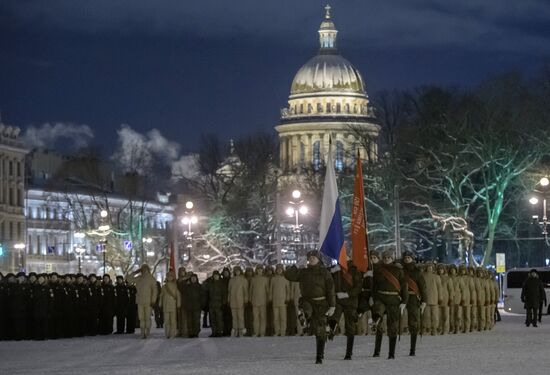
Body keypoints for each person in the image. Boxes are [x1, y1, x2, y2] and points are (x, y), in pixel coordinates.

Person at [284, 250, 335, 364]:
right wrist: (296, 265)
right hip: (307, 301)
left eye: (314, 257)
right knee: (306, 309)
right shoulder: (303, 272)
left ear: (319, 259)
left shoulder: (325, 273)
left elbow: (330, 290)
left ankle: (319, 355)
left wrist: (332, 305)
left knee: (320, 330)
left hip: (321, 303)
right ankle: (304, 316)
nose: (311, 259)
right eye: (310, 257)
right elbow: (288, 275)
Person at [371, 250, 407, 359]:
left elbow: (404, 286)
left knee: (392, 326)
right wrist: (373, 297)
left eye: (389, 258)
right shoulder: (378, 270)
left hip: (393, 300)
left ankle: (391, 353)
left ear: (392, 259)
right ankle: (376, 351)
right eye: (385, 257)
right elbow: (374, 286)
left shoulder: (399, 271)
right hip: (381, 298)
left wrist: (404, 302)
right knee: (379, 323)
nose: (387, 259)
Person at [327, 259, 362, 360]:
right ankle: (331, 329)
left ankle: (349, 353)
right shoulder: (335, 269)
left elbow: (358, 287)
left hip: (350, 302)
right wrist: (332, 272)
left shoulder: (355, 271)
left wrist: (347, 294)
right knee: (333, 317)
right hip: (338, 300)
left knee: (350, 327)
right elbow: (328, 282)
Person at [402, 251, 427, 356]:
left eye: (409, 257)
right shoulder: (400, 271)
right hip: (402, 297)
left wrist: (424, 301)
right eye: (406, 257)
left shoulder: (417, 272)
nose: (407, 259)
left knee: (413, 323)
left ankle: (412, 349)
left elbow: (423, 288)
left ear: (412, 259)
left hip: (413, 298)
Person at [127, 264, 158, 338]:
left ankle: (147, 332)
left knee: (147, 317)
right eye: (142, 269)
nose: (143, 270)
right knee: (141, 318)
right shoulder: (139, 278)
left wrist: (153, 300)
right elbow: (129, 280)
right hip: (140, 301)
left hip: (148, 301)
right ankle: (142, 332)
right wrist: (135, 272)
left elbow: (155, 290)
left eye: (144, 269)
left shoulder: (151, 279)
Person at [227, 265, 249, 337]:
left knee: (240, 317)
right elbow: (229, 291)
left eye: (238, 271)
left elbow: (245, 291)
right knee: (234, 317)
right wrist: (229, 300)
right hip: (233, 301)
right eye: (236, 271)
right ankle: (235, 330)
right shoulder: (231, 280)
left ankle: (241, 330)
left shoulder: (243, 280)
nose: (237, 272)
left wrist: (246, 300)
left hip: (240, 301)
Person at [269, 264, 290, 337]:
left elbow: (288, 290)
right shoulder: (273, 279)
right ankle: (277, 331)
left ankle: (283, 331)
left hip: (283, 301)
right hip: (275, 301)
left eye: (280, 269)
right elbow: (271, 290)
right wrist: (270, 298)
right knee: (276, 318)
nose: (279, 270)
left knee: (283, 318)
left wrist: (287, 298)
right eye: (278, 269)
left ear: (282, 270)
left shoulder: (285, 279)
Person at [159, 271, 181, 338]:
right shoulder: (164, 287)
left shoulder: (175, 286)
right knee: (166, 321)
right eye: (168, 276)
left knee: (173, 321)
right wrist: (160, 303)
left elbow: (178, 295)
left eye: (171, 276)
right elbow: (161, 295)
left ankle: (172, 334)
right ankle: (167, 334)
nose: (169, 278)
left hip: (172, 305)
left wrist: (178, 304)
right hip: (166, 305)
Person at [249, 265, 269, 337]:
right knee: (256, 318)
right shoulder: (253, 279)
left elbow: (267, 291)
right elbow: (251, 290)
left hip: (263, 301)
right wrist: (250, 299)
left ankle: (262, 332)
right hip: (255, 301)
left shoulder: (265, 279)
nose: (259, 271)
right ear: (256, 270)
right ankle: (256, 332)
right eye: (258, 270)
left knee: (263, 317)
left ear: (262, 270)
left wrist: (267, 299)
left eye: (261, 270)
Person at [183, 273, 202, 338]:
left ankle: (196, 332)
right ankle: (190, 333)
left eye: (194, 278)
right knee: (189, 321)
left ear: (196, 279)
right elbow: (184, 296)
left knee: (196, 320)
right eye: (192, 278)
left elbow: (202, 296)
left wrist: (201, 304)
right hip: (189, 306)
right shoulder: (187, 286)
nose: (193, 279)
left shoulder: (199, 286)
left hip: (197, 306)